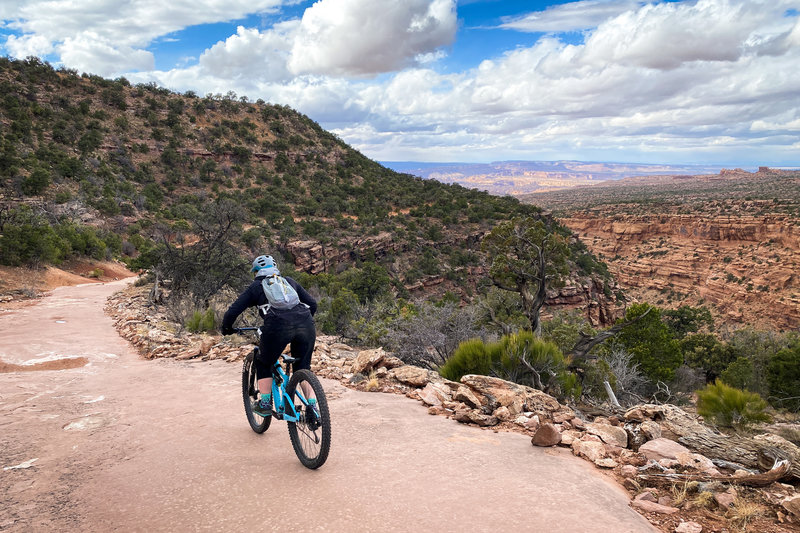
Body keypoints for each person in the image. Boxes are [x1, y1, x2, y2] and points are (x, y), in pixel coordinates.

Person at [221, 254, 317, 417]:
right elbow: (313, 304)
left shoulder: (256, 287)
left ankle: (265, 404)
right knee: (302, 368)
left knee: (263, 361)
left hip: (277, 327)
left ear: (256, 272)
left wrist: (226, 328)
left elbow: (233, 310)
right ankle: (313, 408)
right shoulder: (289, 281)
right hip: (306, 323)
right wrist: (301, 322)